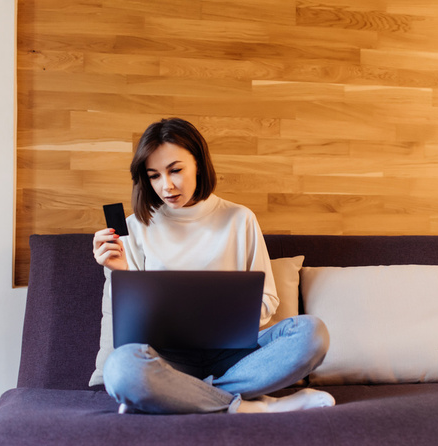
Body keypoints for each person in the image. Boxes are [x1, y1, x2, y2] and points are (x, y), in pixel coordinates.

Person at [92, 117, 334, 414]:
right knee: (121, 369)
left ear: (199, 163)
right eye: (154, 176)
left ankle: (179, 397)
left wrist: (223, 317)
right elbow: (134, 325)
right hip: (168, 360)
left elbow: (268, 300)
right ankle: (249, 406)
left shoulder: (239, 218)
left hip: (235, 357)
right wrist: (122, 273)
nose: (166, 186)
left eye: (175, 170)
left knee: (312, 333)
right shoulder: (136, 227)